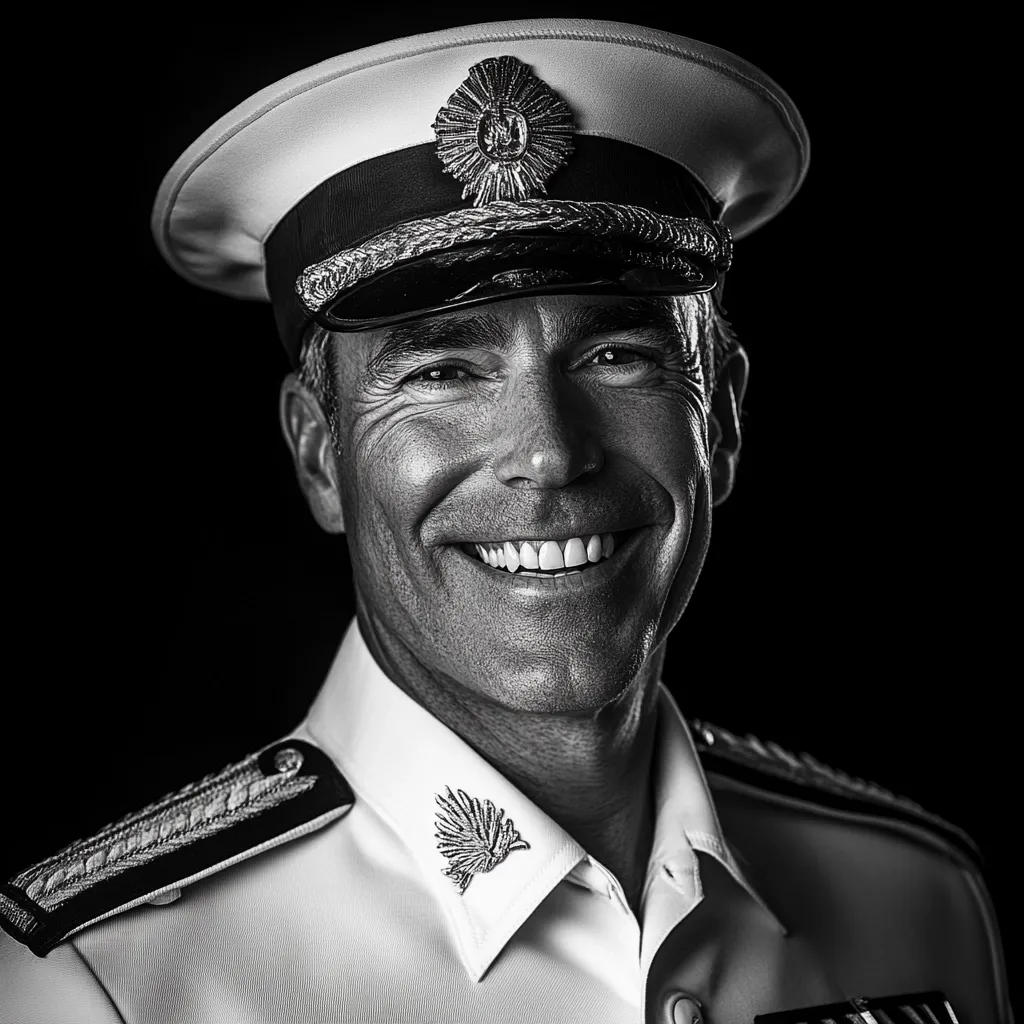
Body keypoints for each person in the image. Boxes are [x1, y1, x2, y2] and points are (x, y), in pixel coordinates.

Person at [0, 18, 1012, 1024]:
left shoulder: (915, 896)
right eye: (443, 370)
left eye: (617, 356)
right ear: (318, 453)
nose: (550, 452)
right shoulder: (112, 981)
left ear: (725, 417)